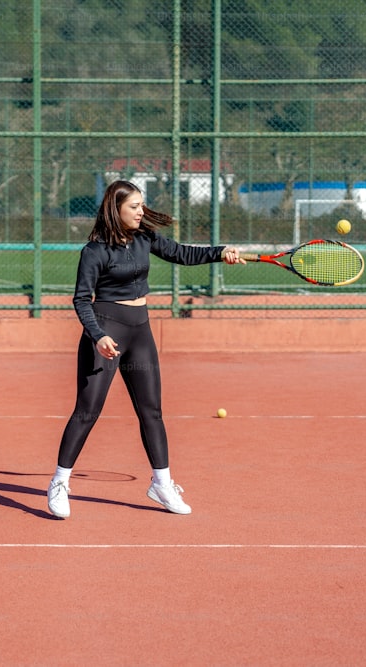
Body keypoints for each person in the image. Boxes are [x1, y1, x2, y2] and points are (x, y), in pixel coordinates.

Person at [47, 179, 244, 519]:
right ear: (116, 209)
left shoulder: (145, 239)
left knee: (151, 411)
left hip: (140, 331)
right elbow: (81, 299)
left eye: (141, 205)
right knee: (87, 411)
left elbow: (183, 253)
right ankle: (60, 482)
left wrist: (219, 251)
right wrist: (97, 335)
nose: (141, 212)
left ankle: (161, 484)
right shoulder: (94, 251)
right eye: (134, 207)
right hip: (107, 332)